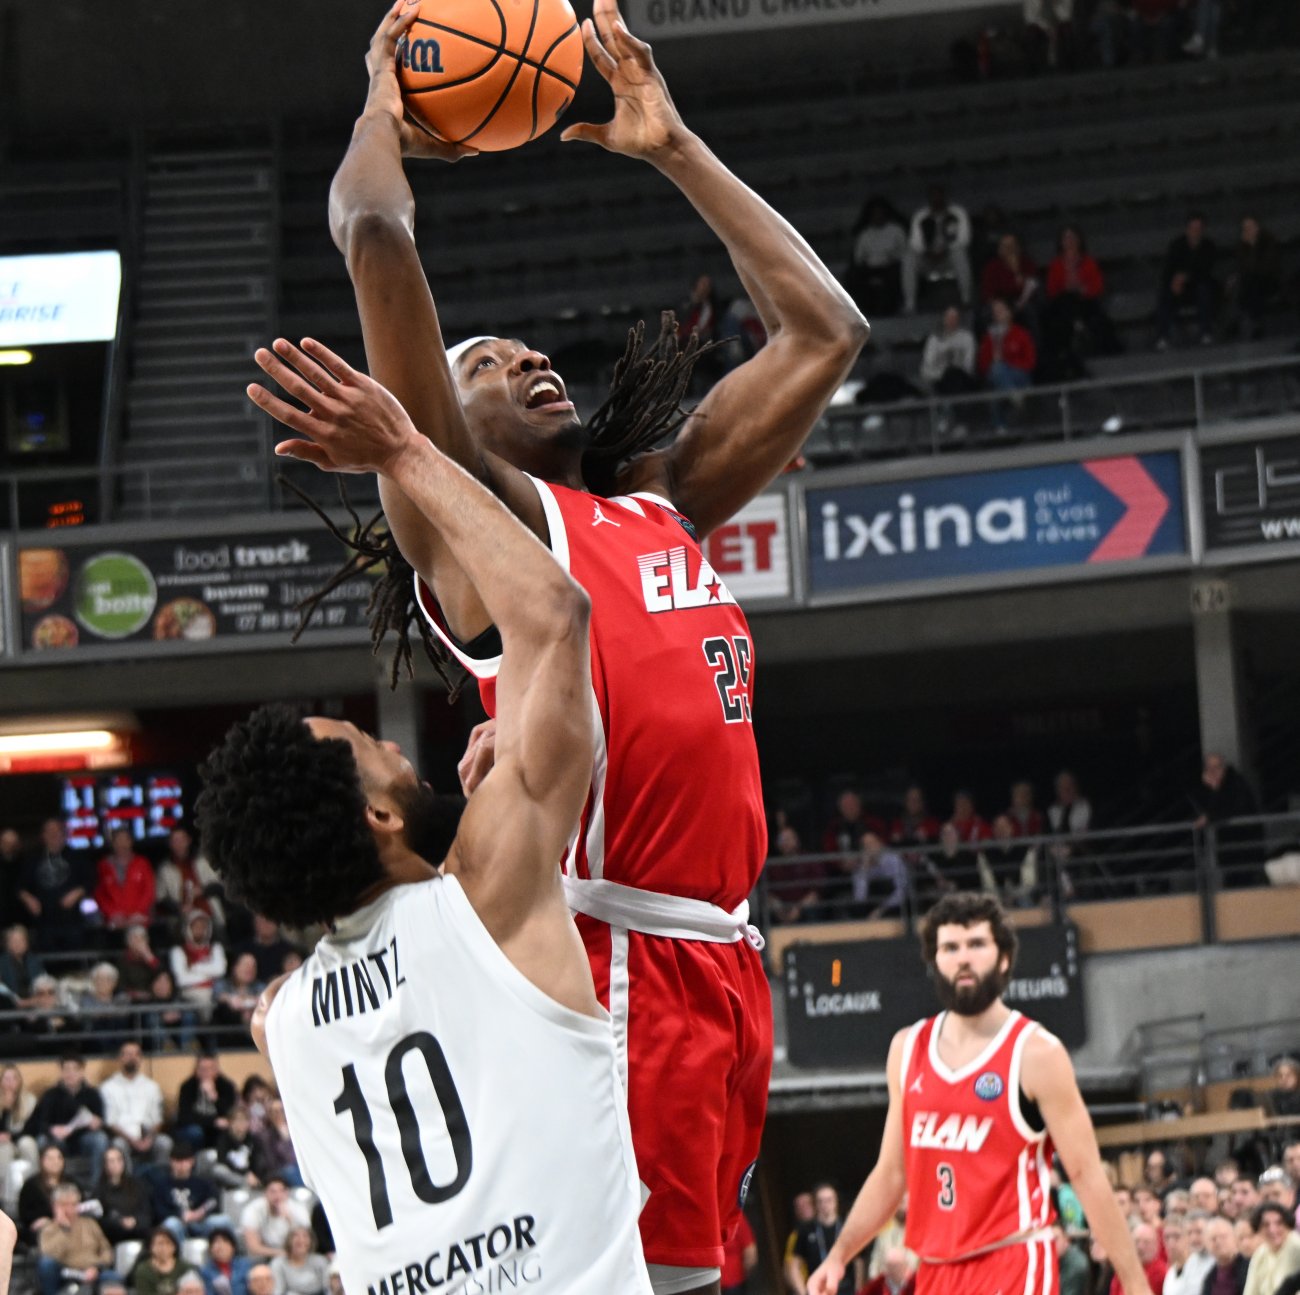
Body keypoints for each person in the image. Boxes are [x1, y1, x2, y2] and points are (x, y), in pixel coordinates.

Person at [298, 2, 867, 1289]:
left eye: (527, 347)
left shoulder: (660, 501)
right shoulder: (481, 533)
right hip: (619, 966)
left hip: (725, 959)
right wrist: (383, 109)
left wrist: (675, 148)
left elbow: (826, 331)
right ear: (448, 421)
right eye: (486, 363)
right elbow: (376, 233)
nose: (526, 357)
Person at [217, 327, 654, 1293]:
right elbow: (556, 616)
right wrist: (402, 449)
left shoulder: (286, 1024)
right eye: (371, 748)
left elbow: (285, 1002)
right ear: (377, 818)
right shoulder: (487, 896)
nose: (398, 750)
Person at [806, 893, 1155, 1295]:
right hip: (936, 1268)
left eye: (976, 944)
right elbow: (891, 1174)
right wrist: (839, 1255)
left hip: (1013, 1260)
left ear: (1004, 958)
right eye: (950, 947)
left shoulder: (1036, 1053)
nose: (963, 958)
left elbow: (1086, 1175)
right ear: (935, 961)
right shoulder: (907, 1048)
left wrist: (1134, 1283)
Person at [23, 1054, 109, 1189]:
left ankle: (95, 1187)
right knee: (43, 1141)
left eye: (75, 1069)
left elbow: (102, 1122)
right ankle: (48, 1186)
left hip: (82, 1139)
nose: (71, 1074)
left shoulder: (92, 1094)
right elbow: (35, 1124)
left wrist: (97, 1123)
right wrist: (52, 1130)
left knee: (100, 1139)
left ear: (82, 1072)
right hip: (57, 1141)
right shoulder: (50, 1095)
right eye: (67, 1069)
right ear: (61, 1072)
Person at [18, 820, 86, 953]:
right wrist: (28, 899)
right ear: (43, 835)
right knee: (47, 954)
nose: (54, 835)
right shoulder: (32, 858)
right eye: (49, 832)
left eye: (57, 831)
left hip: (71, 919)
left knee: (73, 954)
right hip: (44, 920)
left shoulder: (77, 857)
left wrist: (77, 892)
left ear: (64, 834)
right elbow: (20, 886)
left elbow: (89, 880)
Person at [36, 1183, 115, 1295]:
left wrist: (97, 1268)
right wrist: (65, 1229)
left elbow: (106, 1250)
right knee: (46, 1265)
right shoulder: (49, 1228)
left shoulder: (90, 1223)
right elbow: (49, 1254)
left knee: (113, 1277)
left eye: (73, 1204)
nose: (70, 1209)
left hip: (92, 1269)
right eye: (64, 1205)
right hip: (65, 1272)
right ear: (55, 1207)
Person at [100, 1040, 169, 1166]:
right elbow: (111, 1122)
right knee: (118, 1145)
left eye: (136, 1054)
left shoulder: (151, 1086)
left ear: (140, 1059)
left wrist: (149, 1139)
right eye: (128, 1054)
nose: (132, 1058)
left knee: (164, 1142)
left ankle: (160, 1177)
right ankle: (127, 1178)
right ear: (120, 1058)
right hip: (123, 1135)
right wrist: (132, 1140)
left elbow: (157, 1120)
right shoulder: (108, 1087)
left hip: (147, 1134)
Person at [1155, 215, 1219, 349]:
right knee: (1165, 293)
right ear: (1187, 229)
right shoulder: (1176, 245)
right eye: (1192, 228)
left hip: (1198, 287)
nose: (1195, 231)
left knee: (1205, 290)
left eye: (1198, 228)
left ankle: (1206, 333)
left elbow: (1206, 271)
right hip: (1178, 288)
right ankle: (1163, 336)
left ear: (1203, 229)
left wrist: (1185, 277)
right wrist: (1174, 281)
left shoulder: (1209, 246)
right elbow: (1167, 270)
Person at [150, 1140, 232, 1244]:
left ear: (192, 1161)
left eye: (185, 1161)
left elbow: (213, 1201)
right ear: (171, 1162)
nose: (181, 1165)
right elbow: (159, 1211)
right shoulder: (161, 1186)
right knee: (171, 1224)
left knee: (222, 1220)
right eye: (177, 1161)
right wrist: (180, 1215)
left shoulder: (203, 1182)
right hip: (178, 1224)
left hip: (202, 1222)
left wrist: (200, 1212)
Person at [905, 186, 973, 310]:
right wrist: (928, 253)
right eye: (933, 196)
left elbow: (964, 239)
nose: (936, 199)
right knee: (909, 257)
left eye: (939, 196)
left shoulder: (957, 213)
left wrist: (945, 251)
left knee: (960, 253)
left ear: (945, 197)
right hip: (928, 259)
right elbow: (915, 243)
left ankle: (966, 300)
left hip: (949, 258)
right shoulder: (921, 216)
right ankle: (910, 305)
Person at [787, 1185, 861, 1295]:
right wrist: (803, 1292)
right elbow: (793, 1265)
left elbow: (858, 1261)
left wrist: (859, 1289)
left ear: (836, 1201)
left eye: (829, 1200)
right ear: (815, 1204)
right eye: (820, 1201)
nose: (825, 1204)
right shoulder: (805, 1230)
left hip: (846, 1288)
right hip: (818, 1289)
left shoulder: (847, 1227)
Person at [847, 198, 910, 317]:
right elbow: (858, 258)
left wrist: (892, 257)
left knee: (894, 276)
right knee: (853, 276)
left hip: (891, 266)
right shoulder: (864, 234)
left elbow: (904, 252)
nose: (878, 216)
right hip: (870, 268)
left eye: (880, 213)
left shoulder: (896, 230)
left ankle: (889, 309)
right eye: (874, 213)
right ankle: (861, 310)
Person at [1225, 217, 1281, 341]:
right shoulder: (1241, 246)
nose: (1248, 230)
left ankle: (1238, 319)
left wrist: (1252, 248)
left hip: (1269, 280)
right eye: (1245, 228)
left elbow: (1264, 268)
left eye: (1251, 227)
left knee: (1250, 282)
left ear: (1258, 227)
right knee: (1241, 283)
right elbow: (1240, 267)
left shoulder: (1268, 243)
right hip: (1248, 283)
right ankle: (1252, 322)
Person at [94, 828, 155, 932]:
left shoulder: (142, 863)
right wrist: (112, 913)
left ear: (131, 842)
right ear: (113, 843)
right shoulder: (103, 866)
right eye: (119, 840)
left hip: (139, 919)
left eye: (125, 840)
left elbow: (149, 890)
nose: (122, 844)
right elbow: (100, 894)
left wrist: (138, 912)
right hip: (114, 921)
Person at [238, 1178, 310, 1263]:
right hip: (264, 1257)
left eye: (281, 1191)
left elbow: (305, 1242)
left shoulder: (299, 1210)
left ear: (287, 1193)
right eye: (273, 1191)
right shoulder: (253, 1210)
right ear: (265, 1193)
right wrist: (283, 1254)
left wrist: (289, 1219)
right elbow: (254, 1248)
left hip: (292, 1255)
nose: (277, 1196)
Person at [95, 1144, 153, 1245]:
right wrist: (119, 1222)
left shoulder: (137, 1185)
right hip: (113, 1234)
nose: (116, 1164)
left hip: (138, 1230)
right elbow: (99, 1218)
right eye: (111, 1161)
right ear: (105, 1165)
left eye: (119, 1160)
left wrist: (135, 1220)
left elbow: (146, 1212)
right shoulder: (99, 1190)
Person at [175, 1054, 237, 1149]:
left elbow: (230, 1112)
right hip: (195, 1127)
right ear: (196, 1070)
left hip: (217, 1128)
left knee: (230, 1130)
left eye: (210, 1069)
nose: (206, 1073)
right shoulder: (187, 1086)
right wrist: (213, 1121)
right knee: (195, 1132)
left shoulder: (226, 1086)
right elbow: (184, 1116)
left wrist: (214, 1097)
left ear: (217, 1070)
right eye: (203, 1069)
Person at [16, 1144, 72, 1247]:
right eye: (50, 1158)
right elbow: (25, 1214)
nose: (55, 1161)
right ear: (41, 1161)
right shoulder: (31, 1186)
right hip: (42, 1230)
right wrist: (50, 1220)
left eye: (59, 1157)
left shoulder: (70, 1183)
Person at [170, 911, 227, 1008]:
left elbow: (220, 970)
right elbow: (181, 979)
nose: (200, 930)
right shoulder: (178, 951)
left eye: (203, 927)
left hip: (215, 991)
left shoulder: (216, 948)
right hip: (190, 993)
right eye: (196, 927)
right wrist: (210, 976)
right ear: (188, 929)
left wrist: (193, 968)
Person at [1241, 1203, 1300, 1295]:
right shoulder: (1260, 1254)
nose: (1272, 1229)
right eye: (1266, 1225)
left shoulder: (1297, 1248)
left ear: (1288, 1225)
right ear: (1258, 1229)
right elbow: (1250, 1291)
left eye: (1279, 1223)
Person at [918, 308, 977, 397]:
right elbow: (928, 364)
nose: (951, 321)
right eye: (949, 318)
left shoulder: (967, 337)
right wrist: (944, 372)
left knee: (956, 379)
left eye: (954, 318)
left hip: (961, 378)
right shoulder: (934, 339)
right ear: (944, 319)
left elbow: (969, 364)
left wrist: (955, 370)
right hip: (939, 379)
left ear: (959, 320)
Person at [0, 1064, 37, 1192]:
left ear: (20, 1081)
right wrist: (5, 1109)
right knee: (4, 1149)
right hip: (3, 1142)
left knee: (28, 1144)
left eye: (14, 1078)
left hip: (21, 1138)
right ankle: (4, 1192)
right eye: (6, 1079)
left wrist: (12, 1137)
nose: (10, 1082)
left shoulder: (30, 1101)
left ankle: (33, 1186)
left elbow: (33, 1128)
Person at [131, 1226, 198, 1295]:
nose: (164, 1247)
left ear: (174, 1246)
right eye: (160, 1244)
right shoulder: (143, 1270)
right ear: (151, 1247)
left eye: (168, 1243)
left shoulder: (186, 1268)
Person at [269, 1226, 329, 1295]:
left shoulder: (320, 1261)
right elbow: (278, 1290)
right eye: (296, 1236)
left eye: (305, 1236)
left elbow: (328, 1287)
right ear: (288, 1240)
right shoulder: (278, 1263)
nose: (301, 1240)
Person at [200, 1226, 254, 1295]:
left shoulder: (245, 1265)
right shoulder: (205, 1271)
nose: (221, 1246)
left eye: (225, 1241)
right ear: (210, 1249)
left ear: (233, 1247)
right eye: (216, 1242)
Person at [1200, 1216, 1247, 1295]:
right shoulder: (1209, 1278)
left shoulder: (1249, 1266)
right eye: (1213, 1239)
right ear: (1207, 1245)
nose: (1218, 1242)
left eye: (1223, 1237)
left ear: (1235, 1238)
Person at [0, 924, 46, 1004]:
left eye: (21, 940)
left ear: (27, 942)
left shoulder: (34, 960)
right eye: (14, 941)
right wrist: (16, 1000)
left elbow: (42, 982)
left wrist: (36, 999)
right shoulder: (2, 962)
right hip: (9, 1005)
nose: (18, 944)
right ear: (7, 944)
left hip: (35, 1003)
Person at [720, 1211, 756, 1295]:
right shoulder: (734, 1215)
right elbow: (751, 1251)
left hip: (729, 1283)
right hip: (729, 1282)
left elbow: (750, 1250)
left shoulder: (735, 1216)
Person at [1055, 1223, 1090, 1295]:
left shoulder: (1076, 1264)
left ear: (1066, 1239)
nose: (1051, 1243)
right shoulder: (1051, 1260)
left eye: (1055, 1239)